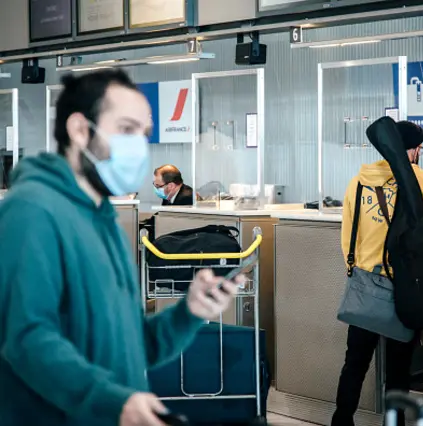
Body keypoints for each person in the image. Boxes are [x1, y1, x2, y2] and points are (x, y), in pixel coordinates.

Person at [0, 70, 243, 426]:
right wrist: (111, 402)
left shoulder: (103, 219)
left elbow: (130, 346)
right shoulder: (30, 212)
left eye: (143, 134)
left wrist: (188, 313)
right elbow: (27, 339)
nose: (139, 147)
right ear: (80, 130)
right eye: (127, 129)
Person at [332, 121, 423, 426]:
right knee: (398, 369)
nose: (419, 154)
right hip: (405, 288)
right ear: (409, 149)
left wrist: (359, 267)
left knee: (354, 364)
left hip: (366, 285)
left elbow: (347, 237)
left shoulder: (358, 182)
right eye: (419, 148)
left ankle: (341, 421)